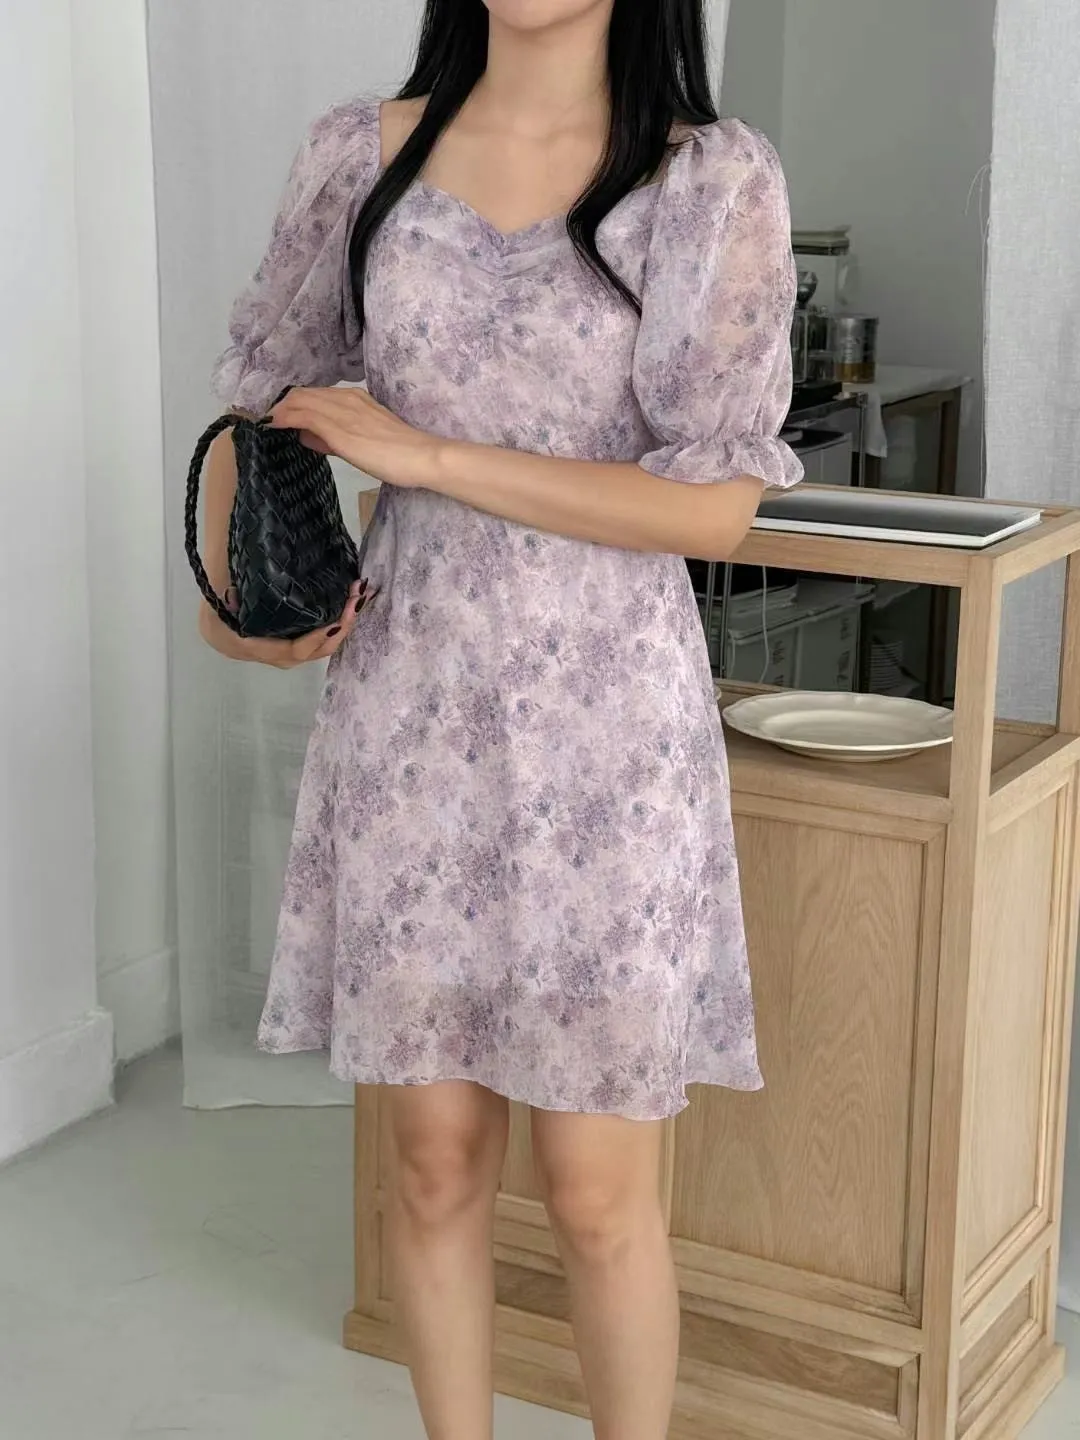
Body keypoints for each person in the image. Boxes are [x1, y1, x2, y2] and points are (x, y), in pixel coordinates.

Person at [198, 2, 801, 1436]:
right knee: (431, 1164)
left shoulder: (711, 177)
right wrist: (238, 603)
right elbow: (257, 397)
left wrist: (426, 457)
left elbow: (714, 506)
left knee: (596, 1192)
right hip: (415, 710)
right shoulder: (360, 155)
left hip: (613, 735)